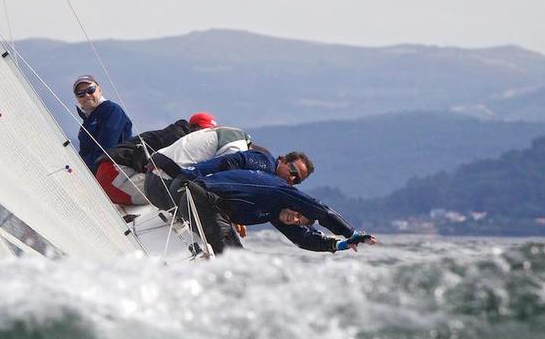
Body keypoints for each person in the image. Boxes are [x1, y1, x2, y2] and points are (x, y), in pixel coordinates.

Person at [176, 168, 377, 255]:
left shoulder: (277, 214)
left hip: (202, 208)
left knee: (236, 258)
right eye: (298, 213)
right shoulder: (280, 192)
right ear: (296, 204)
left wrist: (340, 244)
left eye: (298, 221)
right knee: (233, 259)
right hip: (199, 197)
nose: (294, 218)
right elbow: (323, 212)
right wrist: (351, 233)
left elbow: (304, 239)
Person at [73, 75, 132, 172]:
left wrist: (80, 168)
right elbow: (84, 153)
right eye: (80, 93)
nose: (87, 95)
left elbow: (105, 150)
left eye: (90, 90)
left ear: (99, 90)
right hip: (93, 173)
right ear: (77, 98)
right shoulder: (85, 124)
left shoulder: (111, 110)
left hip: (115, 172)